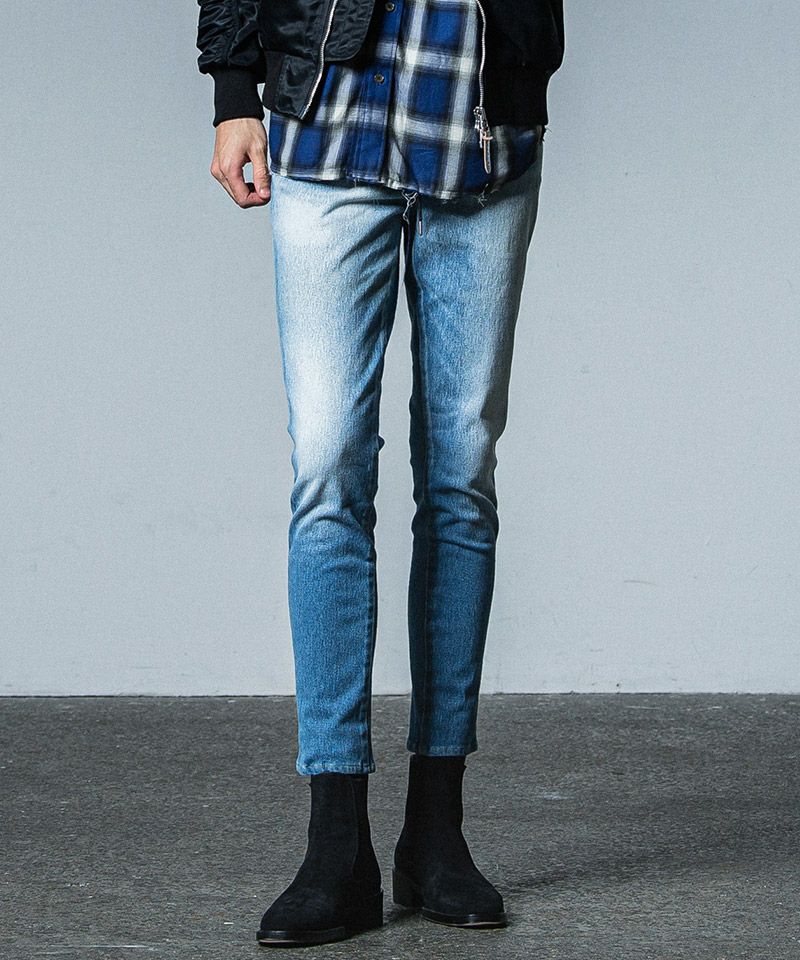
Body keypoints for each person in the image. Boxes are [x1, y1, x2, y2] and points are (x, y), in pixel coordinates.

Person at [196, 0, 565, 946]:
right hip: (328, 122)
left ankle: (436, 832)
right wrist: (233, 92)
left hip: (480, 130)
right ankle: (335, 846)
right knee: (328, 475)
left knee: (461, 478)